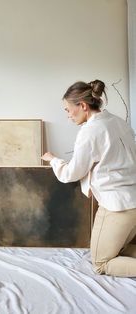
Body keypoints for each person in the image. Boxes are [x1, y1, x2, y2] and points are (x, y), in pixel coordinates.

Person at [41, 79, 136, 277]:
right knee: (118, 249)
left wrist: (53, 160)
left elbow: (71, 173)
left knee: (101, 263)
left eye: (68, 110)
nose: (68, 116)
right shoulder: (119, 122)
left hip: (117, 206)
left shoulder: (90, 131)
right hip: (133, 199)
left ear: (83, 106)